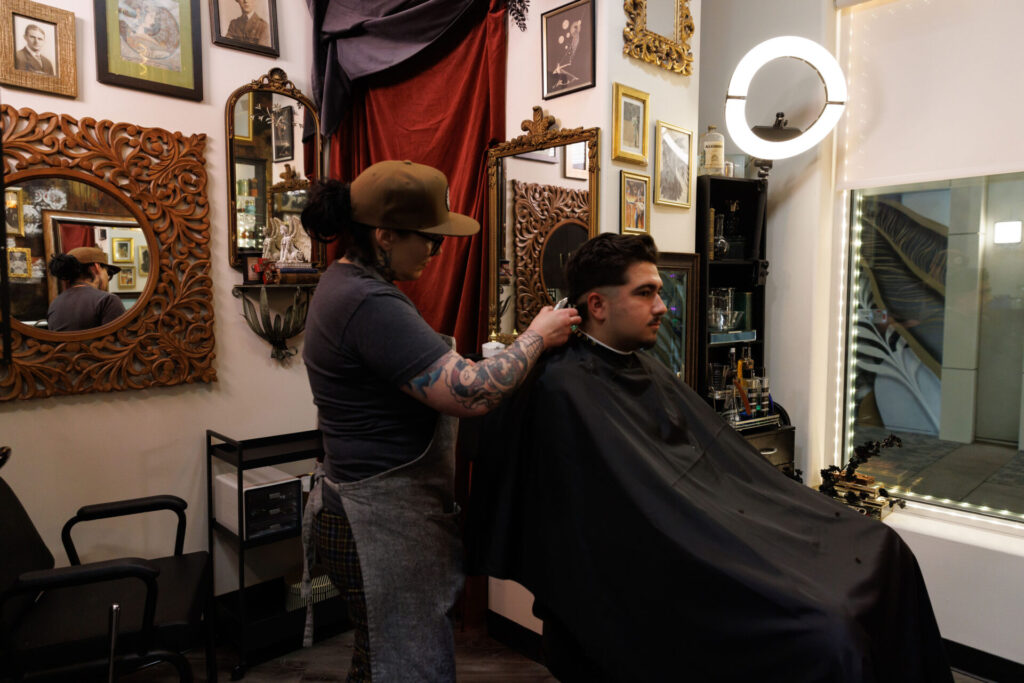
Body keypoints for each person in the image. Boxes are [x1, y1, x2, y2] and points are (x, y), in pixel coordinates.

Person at [466, 233, 953, 683]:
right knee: (828, 631)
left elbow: (703, 475)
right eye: (645, 293)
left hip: (697, 537)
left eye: (659, 291)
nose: (663, 307)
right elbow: (614, 520)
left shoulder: (641, 367)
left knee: (885, 550)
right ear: (596, 304)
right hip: (657, 572)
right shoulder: (563, 388)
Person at [299, 160, 580, 681]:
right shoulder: (368, 302)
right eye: (429, 238)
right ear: (384, 234)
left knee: (380, 659)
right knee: (409, 669)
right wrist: (537, 336)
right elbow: (470, 393)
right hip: (377, 521)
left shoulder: (343, 282)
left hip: (355, 505)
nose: (437, 249)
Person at [46, 246, 125, 332]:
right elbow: (121, 341)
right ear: (96, 267)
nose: (107, 278)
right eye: (107, 272)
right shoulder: (108, 300)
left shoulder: (55, 303)